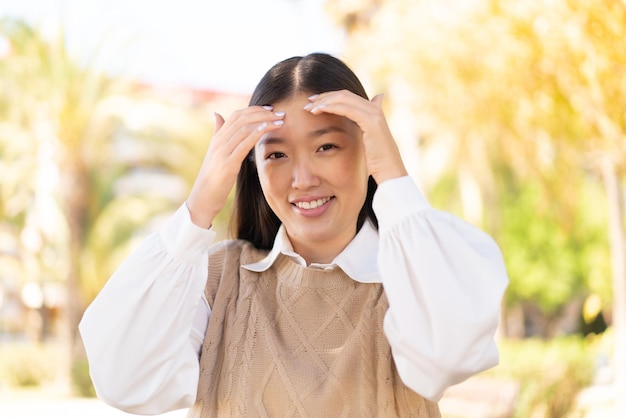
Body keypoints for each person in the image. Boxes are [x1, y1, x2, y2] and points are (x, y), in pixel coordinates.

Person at [79, 52, 508, 418]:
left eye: (327, 147)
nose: (302, 179)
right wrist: (200, 206)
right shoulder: (219, 281)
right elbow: (123, 379)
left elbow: (451, 354)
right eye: (277, 154)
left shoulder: (412, 279)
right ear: (255, 168)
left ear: (368, 150)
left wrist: (394, 178)